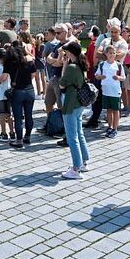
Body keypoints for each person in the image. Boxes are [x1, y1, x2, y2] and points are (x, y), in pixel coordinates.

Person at [58, 41, 91, 179]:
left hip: (71, 102)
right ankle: (84, 162)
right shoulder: (81, 65)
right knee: (79, 133)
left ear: (71, 53)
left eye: (66, 51)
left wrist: (65, 65)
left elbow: (61, 84)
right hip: (79, 103)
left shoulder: (72, 67)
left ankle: (76, 169)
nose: (65, 53)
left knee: (72, 137)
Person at [5, 42, 37, 149]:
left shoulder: (10, 64)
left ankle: (19, 140)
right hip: (29, 90)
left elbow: (5, 74)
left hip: (17, 91)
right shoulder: (29, 62)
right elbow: (33, 74)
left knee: (18, 117)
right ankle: (27, 136)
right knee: (29, 115)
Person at [95, 45, 125, 138]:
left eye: (113, 53)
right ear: (106, 54)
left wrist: (118, 77)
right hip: (105, 90)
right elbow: (97, 75)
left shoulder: (118, 65)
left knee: (116, 110)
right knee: (108, 109)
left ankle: (115, 128)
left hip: (115, 91)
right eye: (110, 53)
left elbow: (123, 77)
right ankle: (110, 126)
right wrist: (100, 77)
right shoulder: (102, 64)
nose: (112, 55)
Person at [0, 48, 15, 141]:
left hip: (0, 93)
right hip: (9, 92)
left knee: (2, 114)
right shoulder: (11, 67)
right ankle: (12, 133)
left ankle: (4, 133)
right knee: (9, 114)